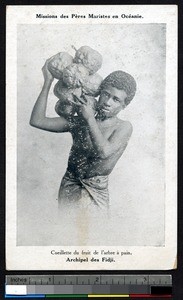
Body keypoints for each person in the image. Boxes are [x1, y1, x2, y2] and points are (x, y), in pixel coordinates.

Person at [30, 59, 136, 211]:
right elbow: (37, 120)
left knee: (95, 233)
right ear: (99, 93)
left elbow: (104, 152)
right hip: (69, 184)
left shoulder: (123, 127)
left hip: (95, 191)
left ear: (124, 105)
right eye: (105, 94)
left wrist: (89, 118)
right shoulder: (81, 119)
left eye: (116, 99)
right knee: (65, 231)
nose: (107, 102)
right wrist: (48, 82)